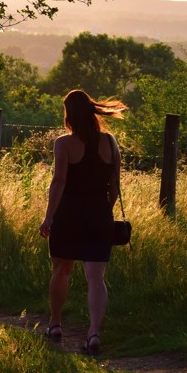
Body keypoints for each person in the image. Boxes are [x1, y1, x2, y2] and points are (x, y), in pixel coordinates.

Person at [39, 89, 127, 354]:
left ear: (69, 114)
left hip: (68, 214)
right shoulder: (110, 142)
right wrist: (103, 209)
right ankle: (94, 334)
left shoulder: (63, 144)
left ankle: (55, 324)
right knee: (96, 278)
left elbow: (59, 182)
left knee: (61, 270)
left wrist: (49, 217)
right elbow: (115, 185)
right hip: (99, 214)